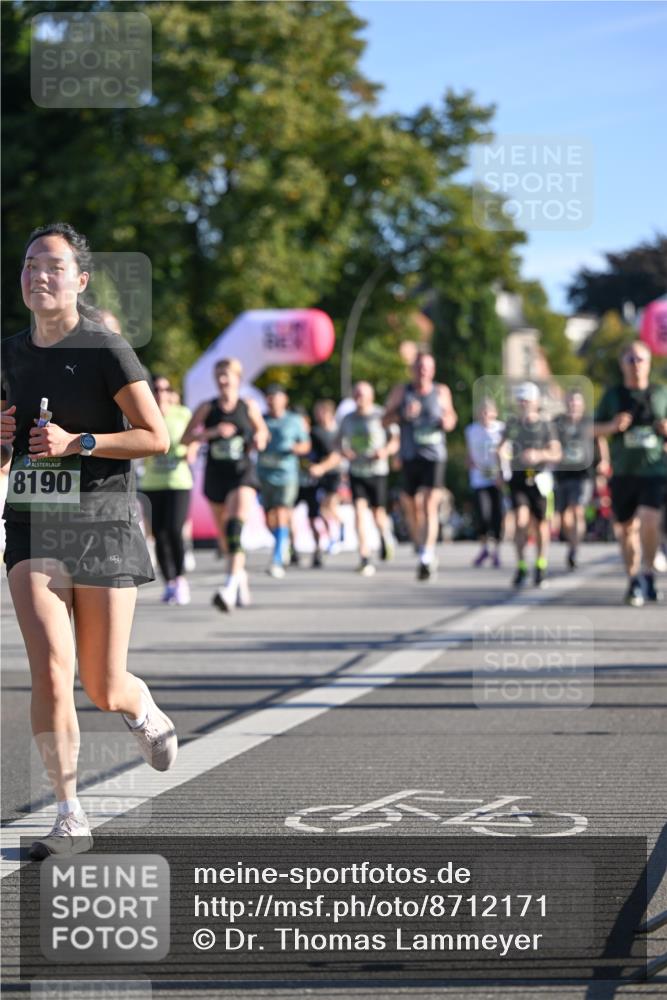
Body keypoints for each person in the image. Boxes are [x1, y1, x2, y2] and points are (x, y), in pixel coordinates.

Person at [0, 222, 176, 861]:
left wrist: (80, 442)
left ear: (79, 279)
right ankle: (69, 813)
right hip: (33, 523)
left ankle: (139, 705)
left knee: (102, 683)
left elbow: (155, 436)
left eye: (52, 265)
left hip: (101, 522)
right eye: (28, 264)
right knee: (50, 668)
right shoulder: (8, 354)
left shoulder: (107, 350)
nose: (37, 275)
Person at [181, 358, 268, 612]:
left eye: (226, 375)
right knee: (225, 540)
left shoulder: (247, 406)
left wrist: (260, 439)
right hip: (216, 475)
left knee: (234, 528)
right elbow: (186, 438)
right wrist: (211, 433)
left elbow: (262, 431)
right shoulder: (207, 408)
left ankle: (228, 588)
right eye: (218, 376)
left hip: (242, 474)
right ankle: (240, 577)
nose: (222, 381)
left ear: (237, 378)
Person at [594, 341, 667, 606]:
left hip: (655, 470)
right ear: (622, 364)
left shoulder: (661, 393)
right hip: (623, 472)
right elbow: (592, 430)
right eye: (630, 360)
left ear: (649, 363)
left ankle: (648, 573)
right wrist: (612, 426)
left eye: (640, 359)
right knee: (626, 530)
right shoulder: (612, 396)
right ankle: (633, 578)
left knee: (650, 519)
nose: (636, 365)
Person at [384, 351, 457, 580]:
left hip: (434, 455)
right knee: (410, 505)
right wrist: (402, 414)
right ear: (412, 370)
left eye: (426, 367)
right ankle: (421, 544)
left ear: (432, 370)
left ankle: (427, 554)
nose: (422, 371)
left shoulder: (441, 391)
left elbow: (452, 419)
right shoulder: (401, 392)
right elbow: (383, 420)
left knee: (429, 504)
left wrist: (447, 422)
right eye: (419, 367)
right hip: (409, 455)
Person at [140, 376, 199, 604]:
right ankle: (170, 582)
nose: (161, 393)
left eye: (165, 389)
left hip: (178, 481)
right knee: (159, 534)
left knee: (174, 529)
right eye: (156, 389)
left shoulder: (182, 413)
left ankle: (181, 579)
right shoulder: (144, 413)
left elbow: (193, 435)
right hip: (152, 482)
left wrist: (191, 448)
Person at [500, 382, 562, 588]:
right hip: (518, 479)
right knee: (520, 521)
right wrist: (501, 465)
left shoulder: (546, 426)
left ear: (535, 402)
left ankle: (540, 565)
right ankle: (521, 566)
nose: (524, 404)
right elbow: (500, 448)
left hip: (540, 480)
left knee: (541, 525)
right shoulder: (512, 424)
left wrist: (539, 455)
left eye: (527, 400)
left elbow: (556, 452)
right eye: (521, 400)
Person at [335, 381, 399, 576]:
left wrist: (385, 451)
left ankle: (385, 537)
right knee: (359, 513)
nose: (359, 398)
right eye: (356, 394)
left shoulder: (381, 415)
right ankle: (365, 556)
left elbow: (395, 440)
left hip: (377, 471)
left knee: (378, 514)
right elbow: (337, 442)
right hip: (357, 471)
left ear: (371, 396)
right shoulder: (348, 419)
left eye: (362, 394)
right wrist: (345, 451)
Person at [256, 385, 310, 578]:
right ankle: (284, 544)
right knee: (268, 520)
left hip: (287, 475)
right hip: (264, 475)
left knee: (281, 512)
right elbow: (250, 441)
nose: (272, 401)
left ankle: (277, 559)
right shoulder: (260, 420)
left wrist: (296, 448)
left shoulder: (294, 421)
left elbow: (306, 444)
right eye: (269, 397)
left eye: (276, 397)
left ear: (284, 400)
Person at [554, 390, 595, 571]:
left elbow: (599, 440)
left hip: (583, 473)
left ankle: (574, 549)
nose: (573, 406)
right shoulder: (558, 422)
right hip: (563, 474)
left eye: (577, 403)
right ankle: (571, 544)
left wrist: (605, 462)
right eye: (570, 402)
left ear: (582, 405)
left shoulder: (589, 422)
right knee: (565, 517)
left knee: (578, 510)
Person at [300, 399, 344, 567]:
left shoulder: (337, 431)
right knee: (317, 512)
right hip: (317, 477)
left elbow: (337, 455)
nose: (318, 415)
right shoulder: (314, 432)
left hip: (333, 474)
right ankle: (327, 539)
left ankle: (338, 533)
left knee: (328, 507)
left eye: (321, 411)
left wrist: (322, 467)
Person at [464, 398, 505, 568]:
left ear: (494, 413)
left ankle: (496, 551)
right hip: (479, 478)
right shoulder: (472, 430)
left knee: (497, 515)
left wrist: (501, 473)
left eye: (488, 412)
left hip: (497, 479)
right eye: (482, 412)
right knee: (482, 514)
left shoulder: (501, 429)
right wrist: (469, 462)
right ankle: (484, 548)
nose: (485, 416)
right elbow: (470, 453)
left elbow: (506, 452)